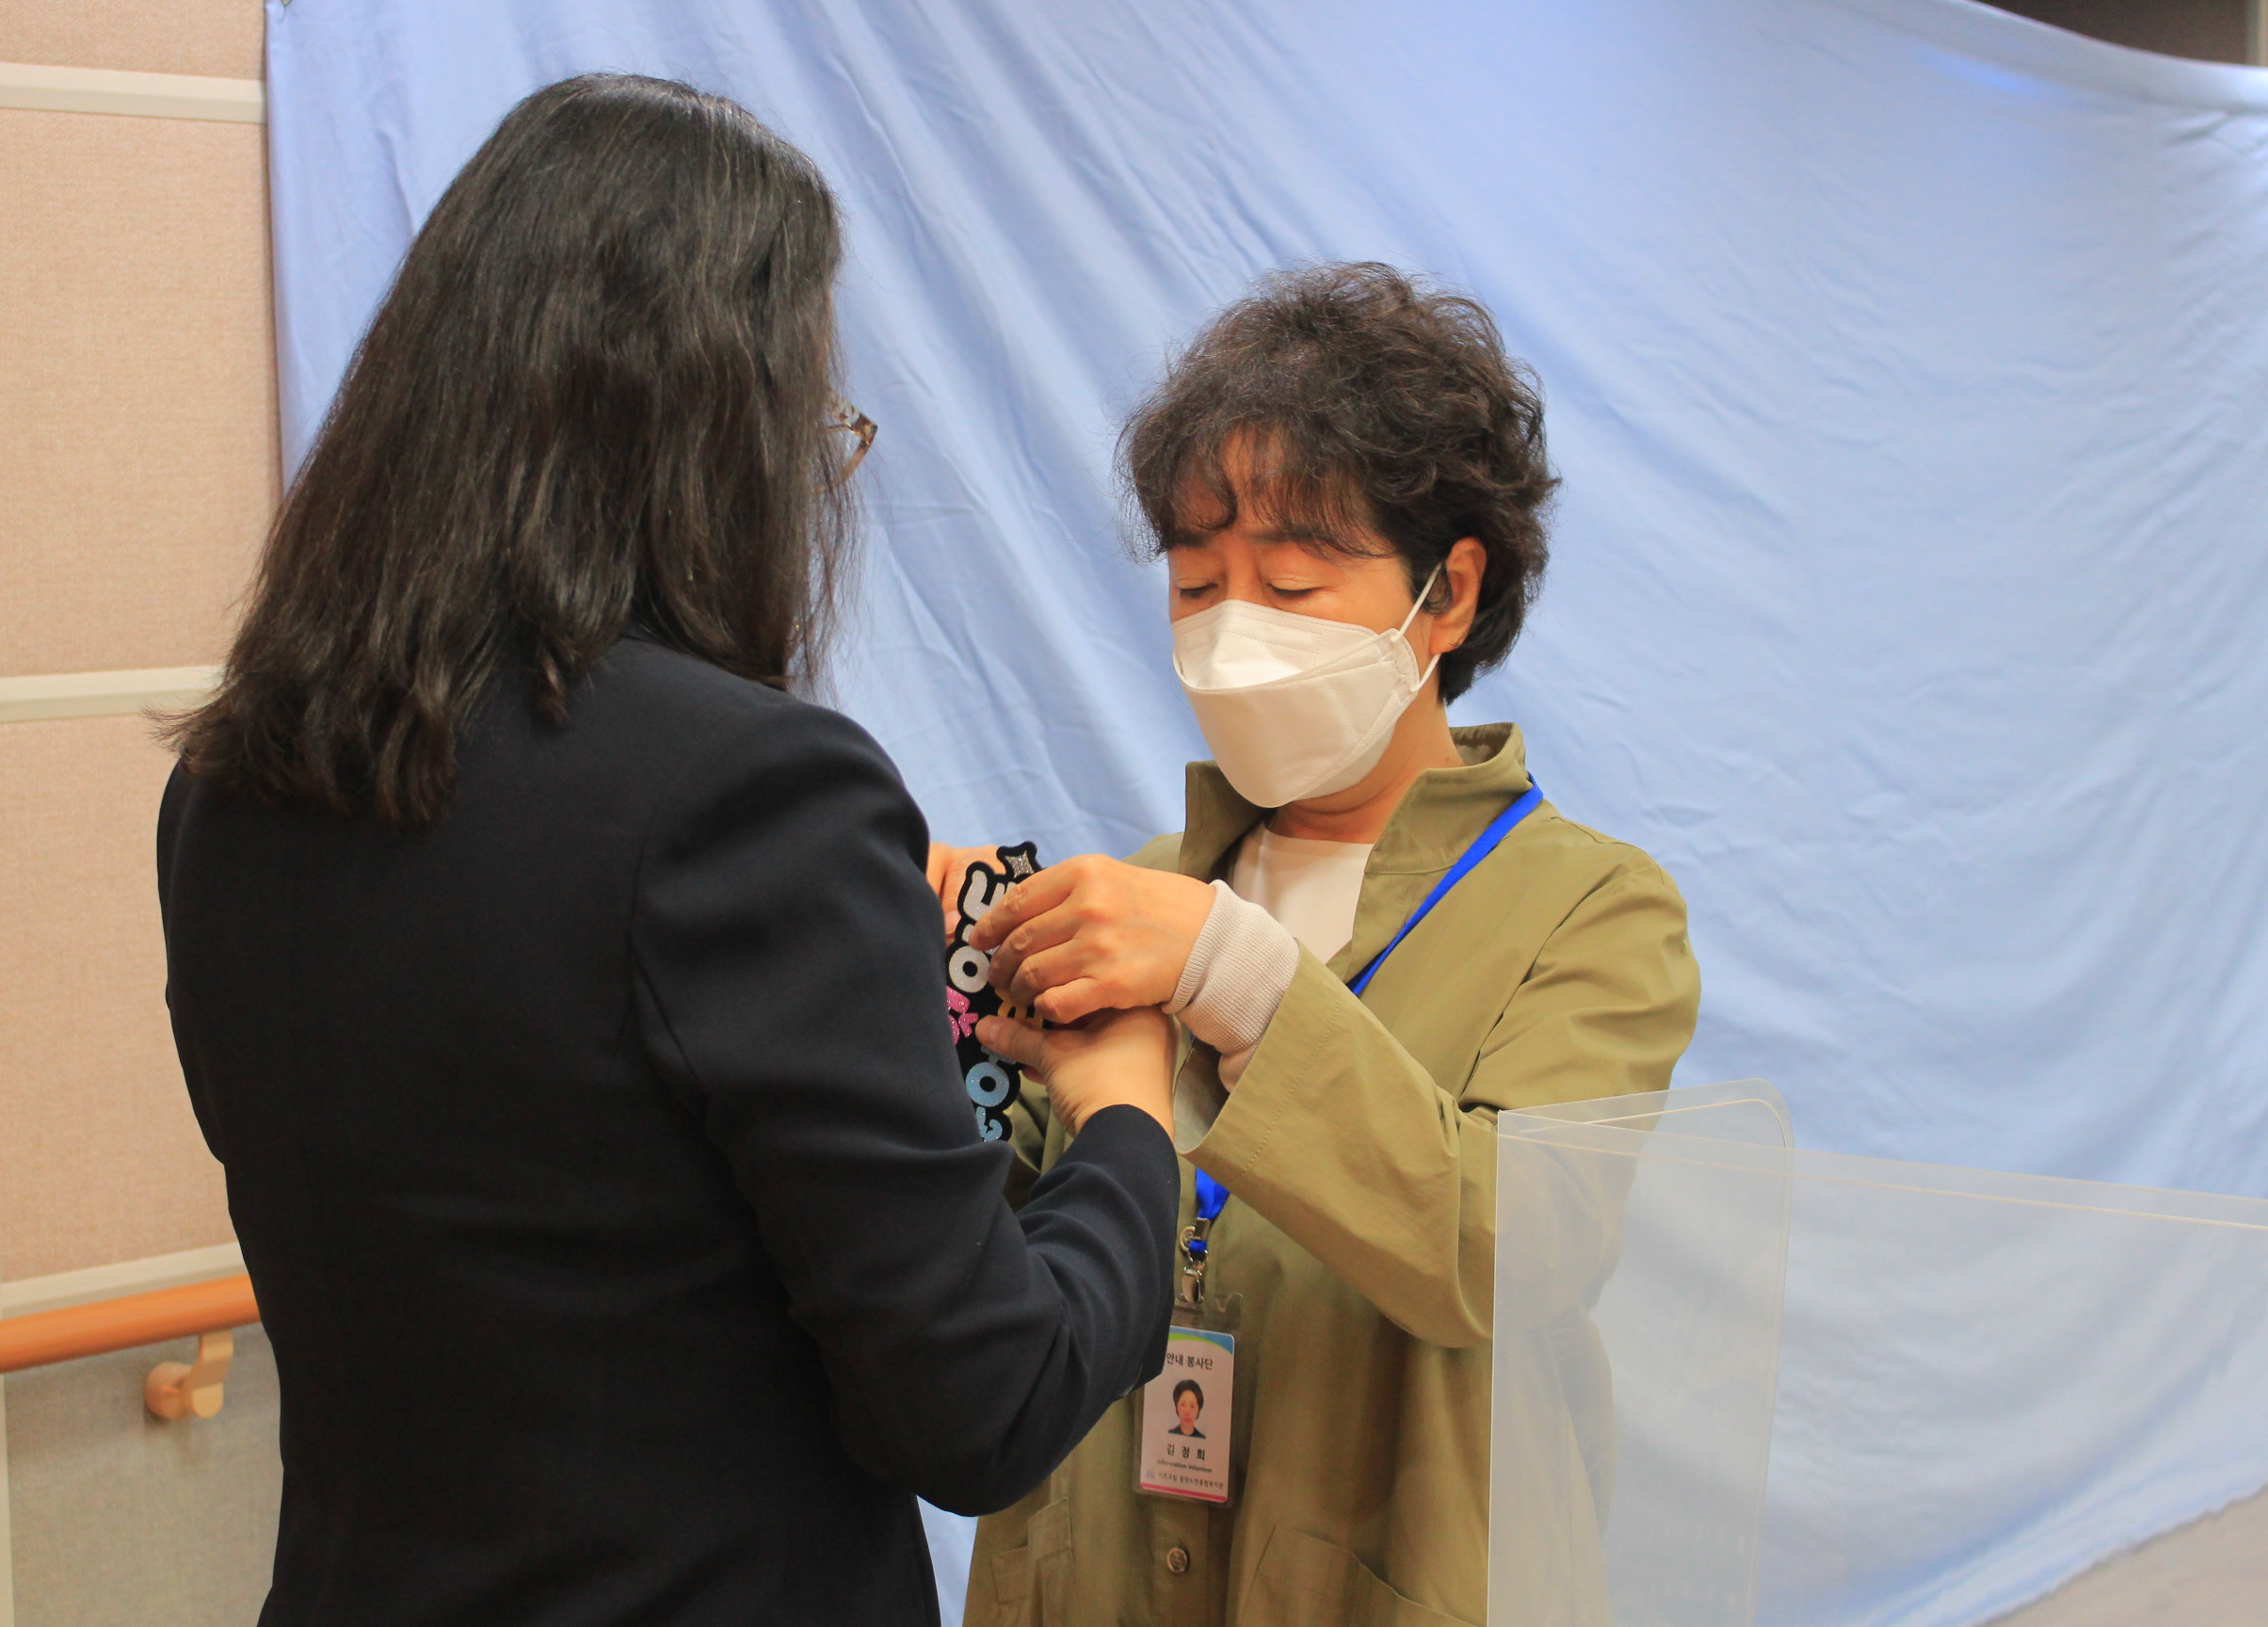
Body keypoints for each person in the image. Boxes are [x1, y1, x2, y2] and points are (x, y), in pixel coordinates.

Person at [155, 75, 1180, 1627]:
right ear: (714, 440)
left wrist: (853, 973)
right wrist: (1127, 1123)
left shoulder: (234, 785)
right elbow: (982, 1402)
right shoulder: (752, 793)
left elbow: (560, 1177)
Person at [941, 265, 1700, 1625]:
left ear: (1448, 592)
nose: (1233, 635)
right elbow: (1003, 1261)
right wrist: (946, 1022)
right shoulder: (1146, 893)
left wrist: (1235, 979)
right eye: (1197, 585)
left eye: (1291, 582)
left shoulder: (1592, 911)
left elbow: (1504, 1252)